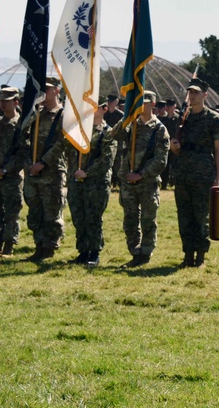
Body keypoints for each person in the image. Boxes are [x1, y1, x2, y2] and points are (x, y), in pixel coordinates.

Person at [170, 78, 219, 267]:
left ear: (205, 95)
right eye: (190, 92)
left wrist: (217, 178)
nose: (192, 96)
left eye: (196, 93)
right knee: (184, 215)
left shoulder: (214, 119)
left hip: (203, 174)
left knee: (201, 216)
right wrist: (174, 147)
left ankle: (200, 256)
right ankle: (187, 255)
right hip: (183, 172)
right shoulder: (183, 118)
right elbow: (178, 149)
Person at [118, 90, 170, 267]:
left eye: (145, 103)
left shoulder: (159, 129)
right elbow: (114, 135)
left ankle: (145, 253)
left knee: (148, 219)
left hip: (147, 182)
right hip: (128, 181)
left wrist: (140, 174)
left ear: (153, 105)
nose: (141, 106)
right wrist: (125, 117)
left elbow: (161, 160)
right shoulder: (131, 125)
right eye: (138, 103)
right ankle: (134, 252)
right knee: (130, 219)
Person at [65, 101, 117, 267]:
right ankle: (82, 251)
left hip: (96, 183)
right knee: (79, 217)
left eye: (96, 106)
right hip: (76, 182)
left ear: (104, 109)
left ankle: (94, 252)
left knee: (93, 218)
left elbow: (107, 159)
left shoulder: (108, 132)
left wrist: (87, 173)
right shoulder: (78, 130)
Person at [24, 77, 69, 262]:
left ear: (57, 91)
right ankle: (39, 246)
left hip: (52, 171)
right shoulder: (35, 114)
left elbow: (62, 143)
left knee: (52, 211)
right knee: (35, 211)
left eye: (48, 89)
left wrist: (44, 162)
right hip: (33, 170)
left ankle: (49, 248)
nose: (43, 93)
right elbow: (25, 139)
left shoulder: (63, 115)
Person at [0, 86, 29, 258]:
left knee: (11, 213)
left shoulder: (22, 125)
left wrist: (5, 170)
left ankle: (9, 245)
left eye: (6, 101)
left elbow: (22, 153)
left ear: (16, 102)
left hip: (12, 176)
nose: (2, 104)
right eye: (1, 101)